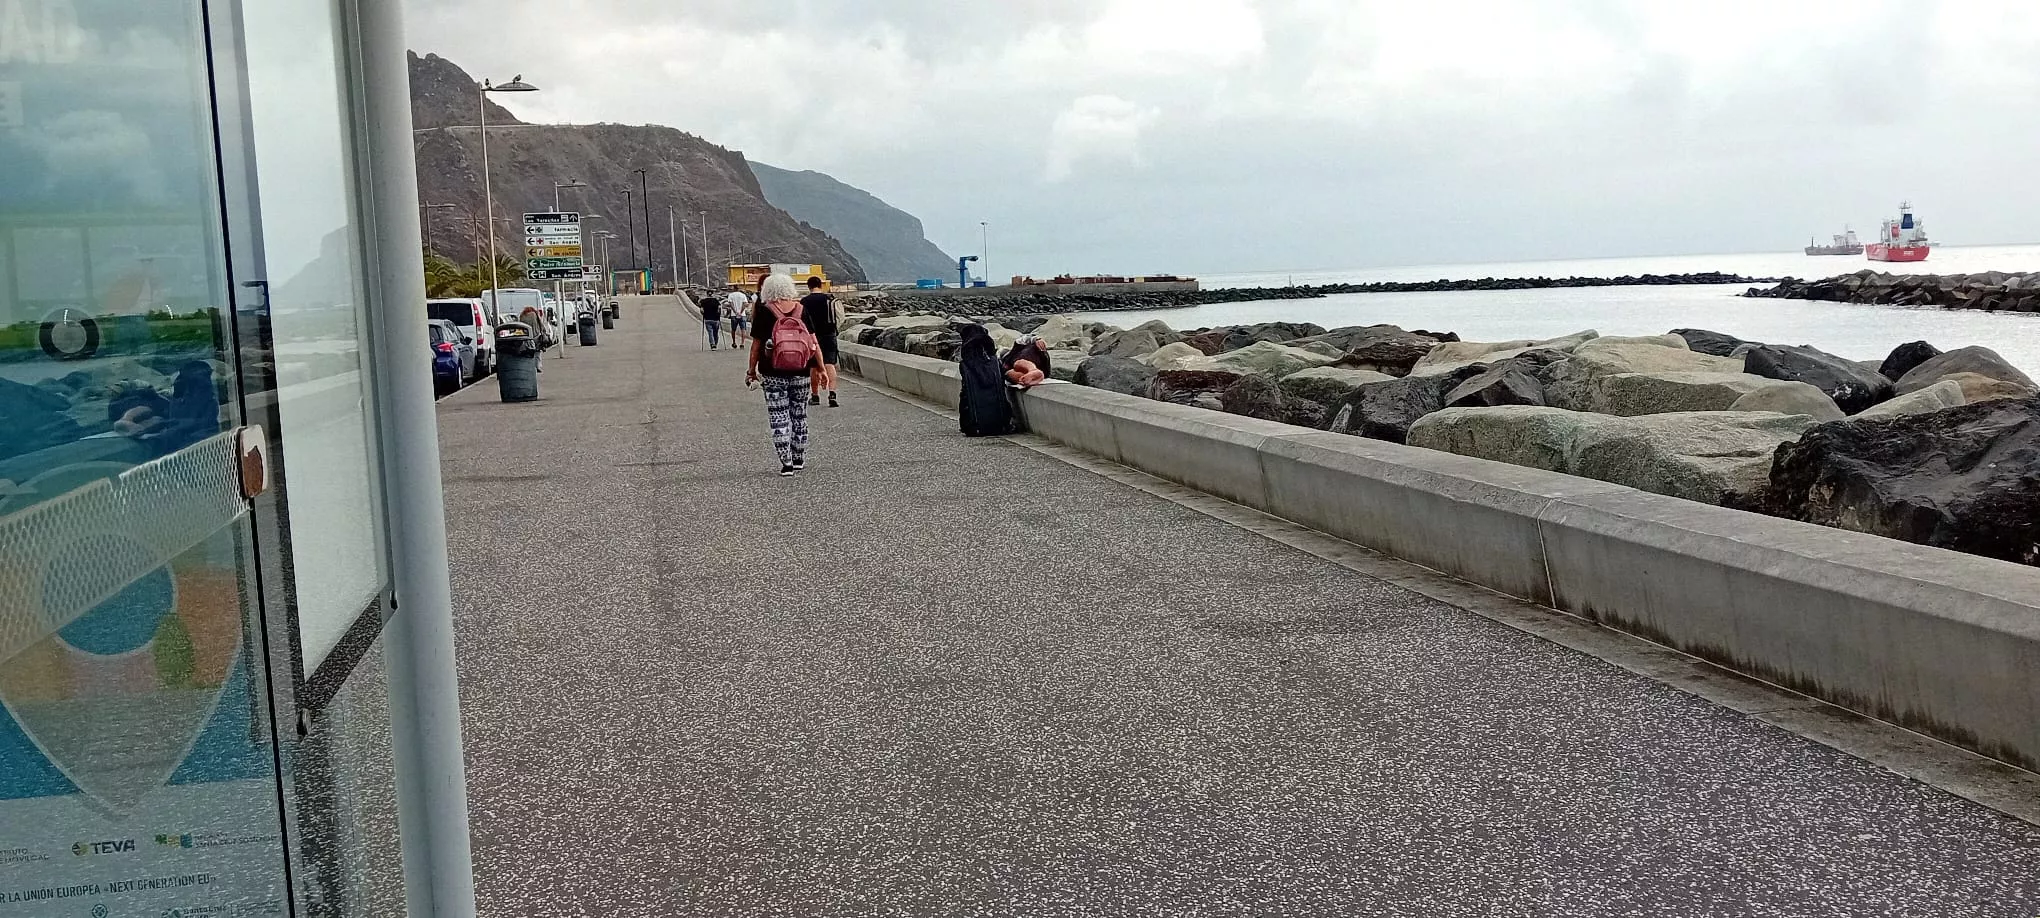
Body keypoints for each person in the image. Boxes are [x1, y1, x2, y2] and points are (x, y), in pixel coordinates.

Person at [746, 274, 824, 476]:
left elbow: (756, 346)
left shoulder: (765, 311)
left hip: (772, 373)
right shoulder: (801, 309)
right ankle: (799, 458)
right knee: (799, 415)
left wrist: (751, 371)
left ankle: (786, 463)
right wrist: (821, 368)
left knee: (778, 416)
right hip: (801, 371)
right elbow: (814, 343)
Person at [956, 323, 1014, 437]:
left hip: (976, 428)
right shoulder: (994, 361)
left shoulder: (966, 363)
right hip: (1000, 425)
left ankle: (972, 423)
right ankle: (1002, 422)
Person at [799, 275, 840, 407]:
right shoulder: (829, 299)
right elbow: (839, 317)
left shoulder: (804, 301)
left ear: (808, 286)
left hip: (811, 336)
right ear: (820, 285)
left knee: (813, 366)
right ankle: (832, 394)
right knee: (829, 364)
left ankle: (815, 395)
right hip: (829, 334)